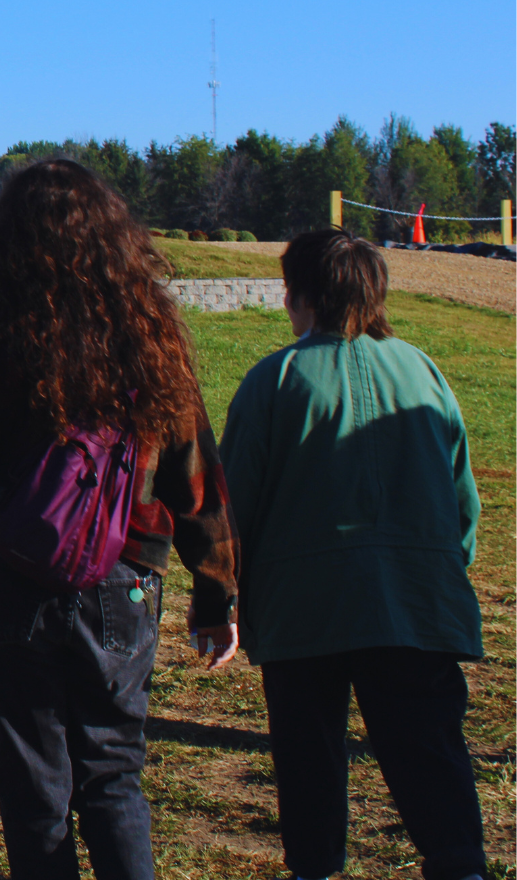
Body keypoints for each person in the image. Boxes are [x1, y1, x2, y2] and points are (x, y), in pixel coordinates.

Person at [0, 159, 240, 880]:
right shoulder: (155, 342)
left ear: (8, 243)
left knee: (34, 781)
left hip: (16, 578)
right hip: (127, 582)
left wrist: (20, 495)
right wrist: (217, 596)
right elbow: (197, 481)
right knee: (114, 773)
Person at [220, 228, 485, 880]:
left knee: (308, 761)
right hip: (416, 605)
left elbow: (233, 510)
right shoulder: (423, 372)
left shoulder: (273, 380)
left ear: (302, 293)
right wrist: (441, 571)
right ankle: (461, 866)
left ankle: (316, 867)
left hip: (303, 614)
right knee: (431, 753)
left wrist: (228, 593)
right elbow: (462, 502)